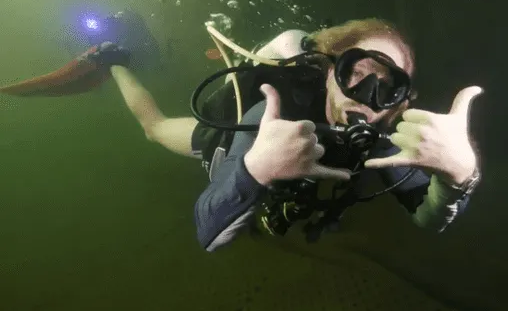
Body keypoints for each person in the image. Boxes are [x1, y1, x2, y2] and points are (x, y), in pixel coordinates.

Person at [109, 18, 483, 252]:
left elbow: (429, 218)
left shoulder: (381, 141)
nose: (366, 97)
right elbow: (209, 234)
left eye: (387, 87)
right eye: (356, 72)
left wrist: (459, 175)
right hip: (218, 143)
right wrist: (255, 169)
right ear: (328, 71)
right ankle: (113, 62)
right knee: (154, 127)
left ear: (397, 104)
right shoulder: (275, 115)